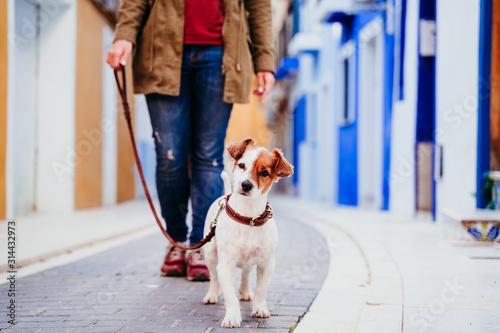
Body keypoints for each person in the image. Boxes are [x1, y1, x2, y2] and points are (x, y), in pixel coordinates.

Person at [106, 0, 275, 281]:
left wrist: (264, 61)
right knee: (170, 155)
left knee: (207, 156)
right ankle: (176, 241)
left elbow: (258, 6)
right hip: (160, 50)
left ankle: (201, 243)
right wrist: (124, 34)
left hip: (222, 54)